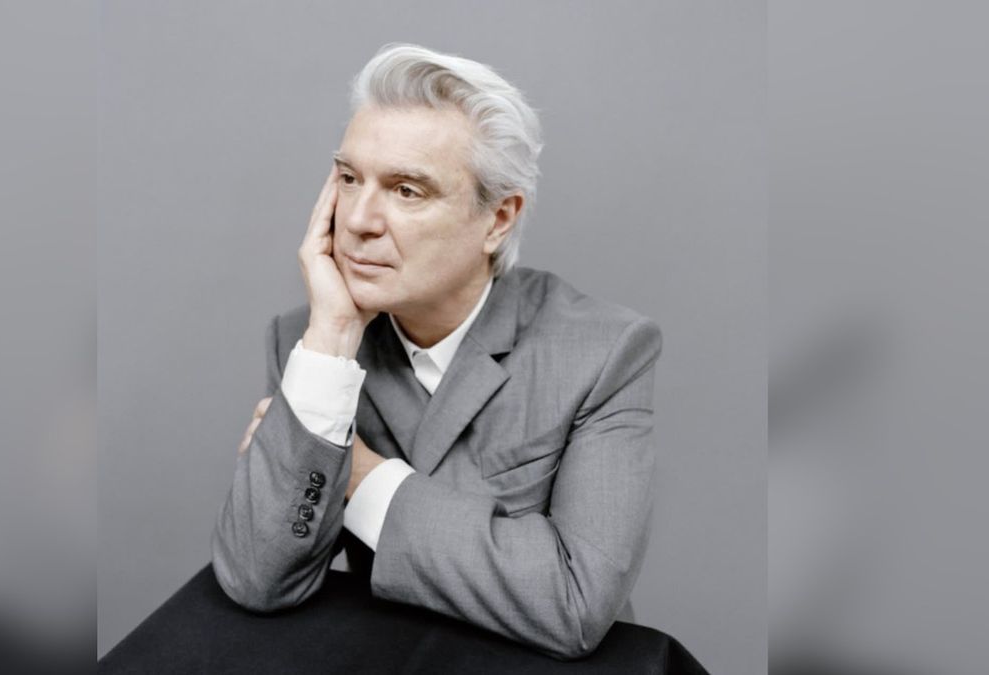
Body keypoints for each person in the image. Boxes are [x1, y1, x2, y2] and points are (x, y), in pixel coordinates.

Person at [211, 43, 663, 661]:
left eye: (406, 190)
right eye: (349, 179)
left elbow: (574, 601)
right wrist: (332, 338)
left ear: (497, 220)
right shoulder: (312, 342)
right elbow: (259, 580)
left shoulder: (603, 351)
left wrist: (360, 476)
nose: (359, 220)